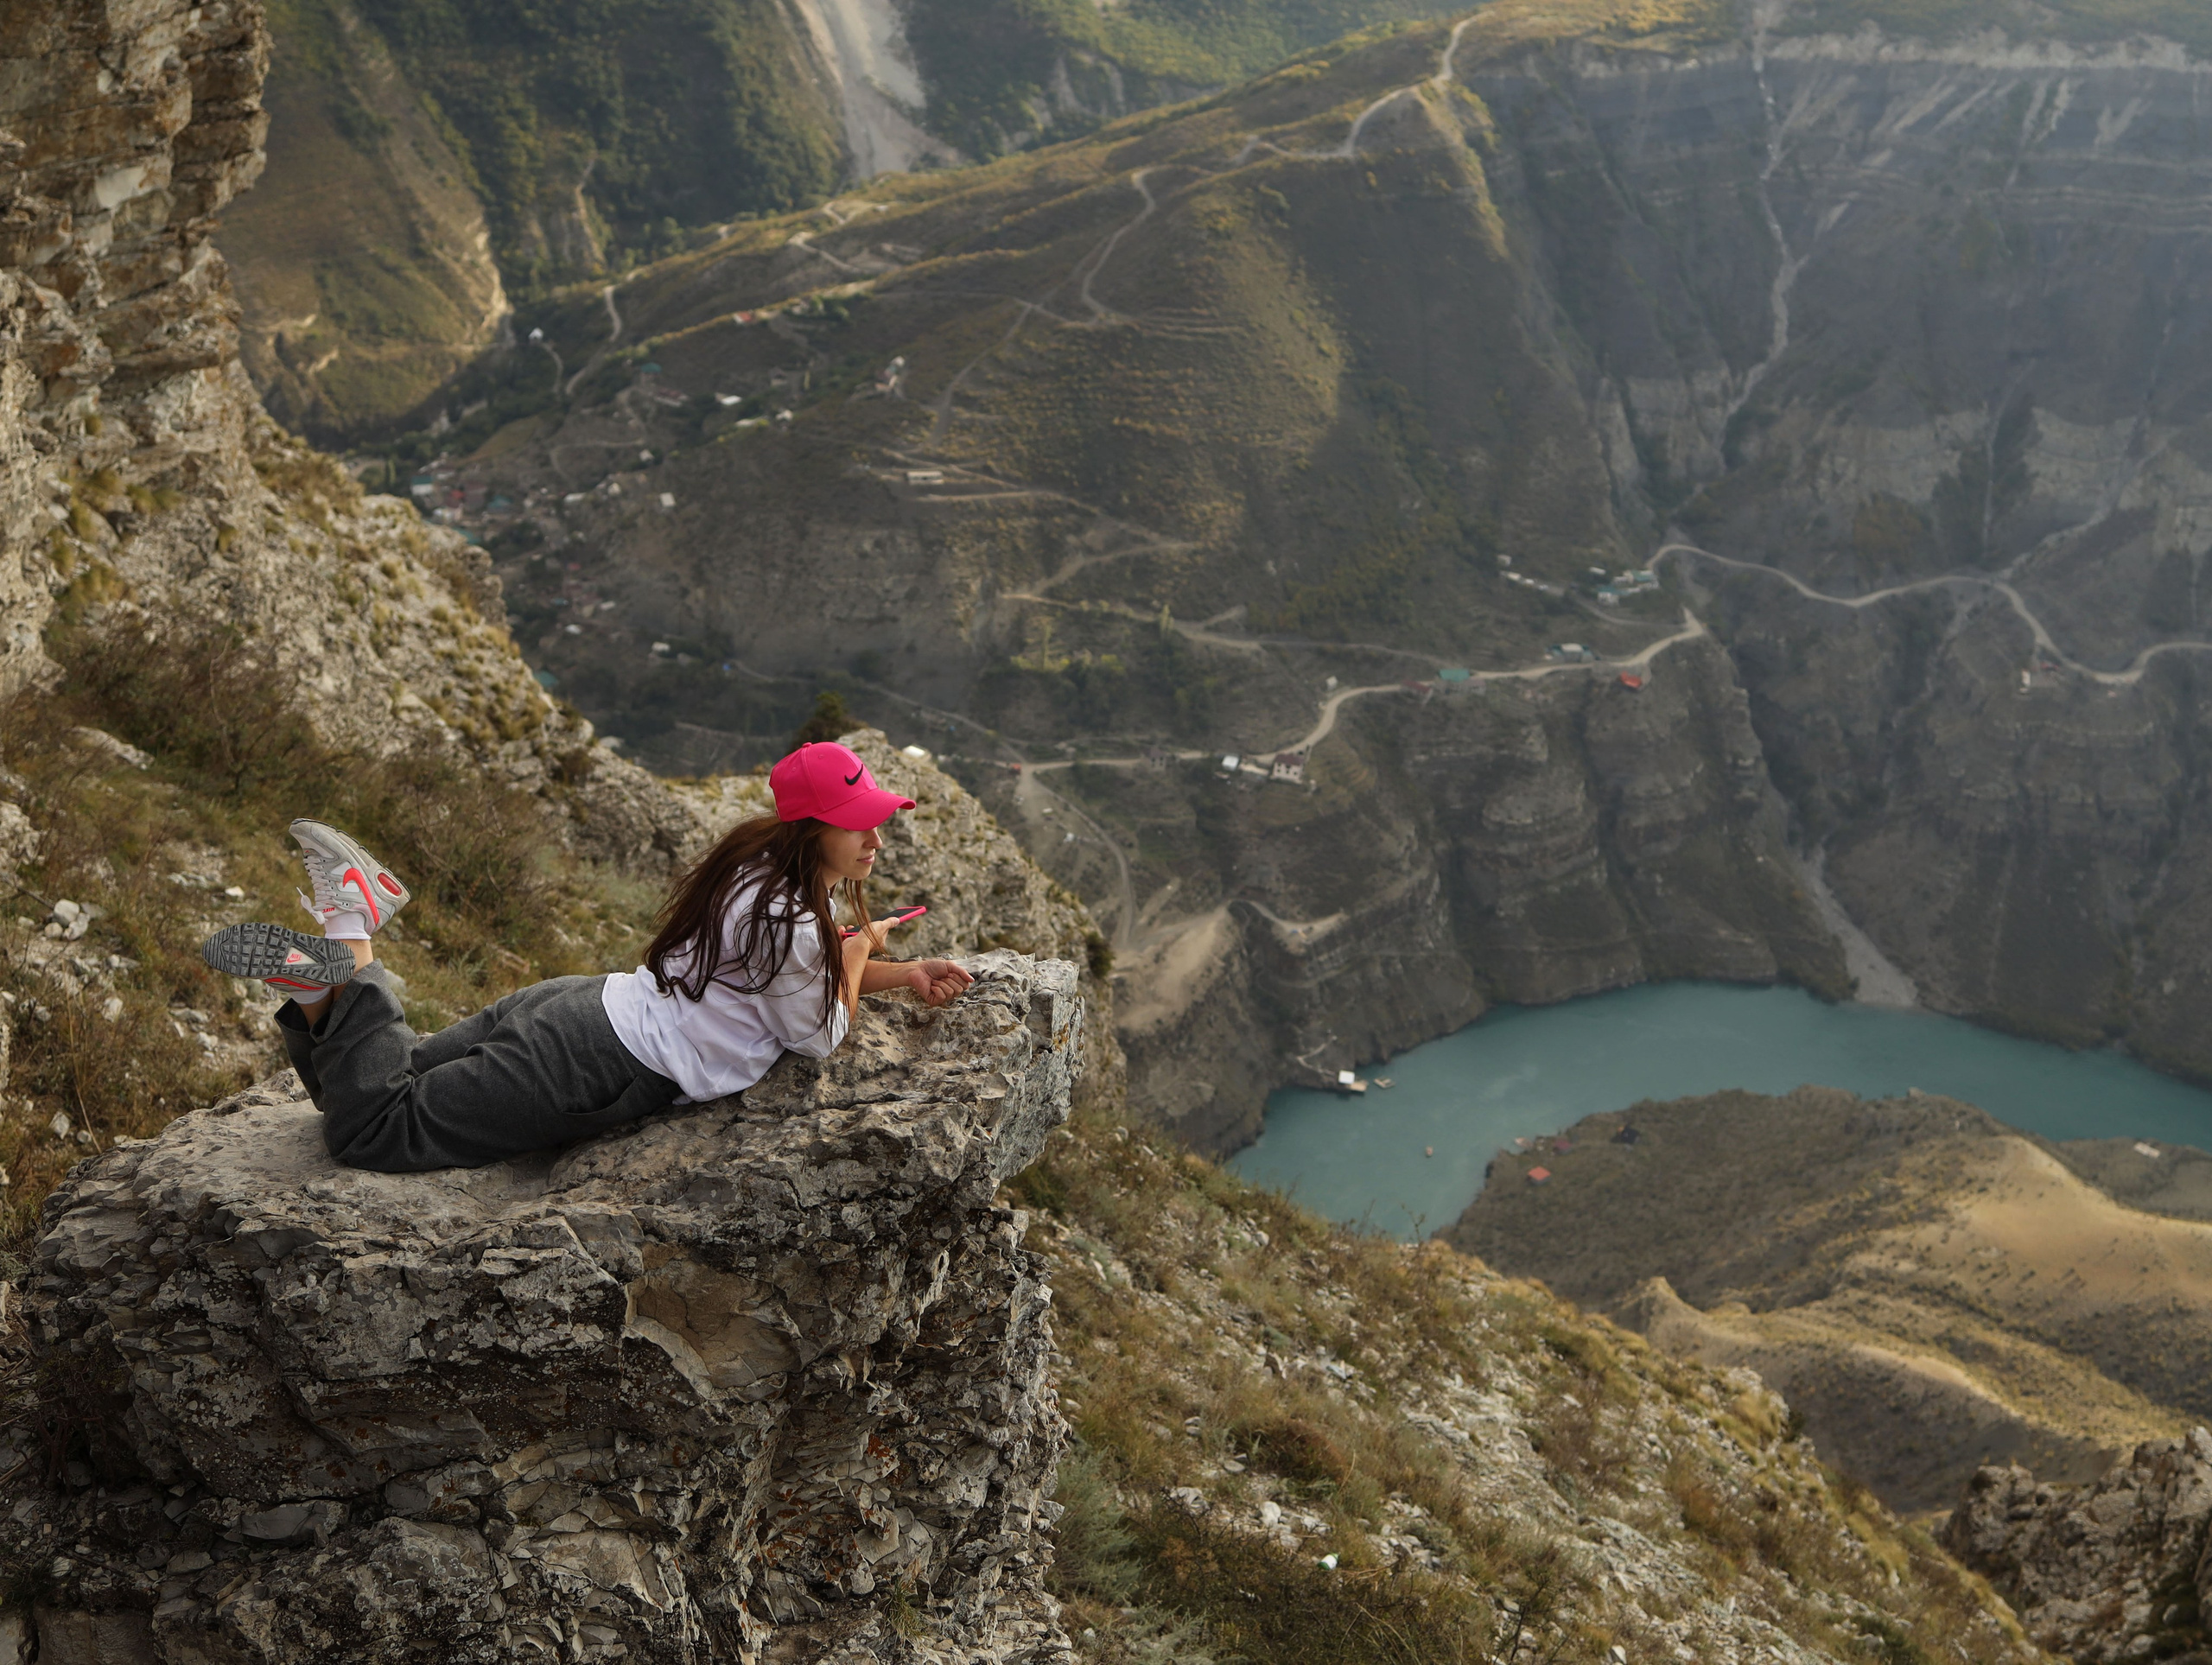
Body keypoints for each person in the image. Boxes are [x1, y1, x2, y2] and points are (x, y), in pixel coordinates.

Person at [200, 741, 972, 1172]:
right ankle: (350, 930)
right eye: (861, 824)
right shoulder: (795, 922)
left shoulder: (760, 872)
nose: (876, 839)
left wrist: (899, 972)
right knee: (377, 1132)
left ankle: (319, 988)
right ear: (813, 829)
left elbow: (789, 983)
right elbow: (817, 1032)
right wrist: (861, 946)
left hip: (580, 1007)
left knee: (383, 1081)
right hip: (596, 1064)